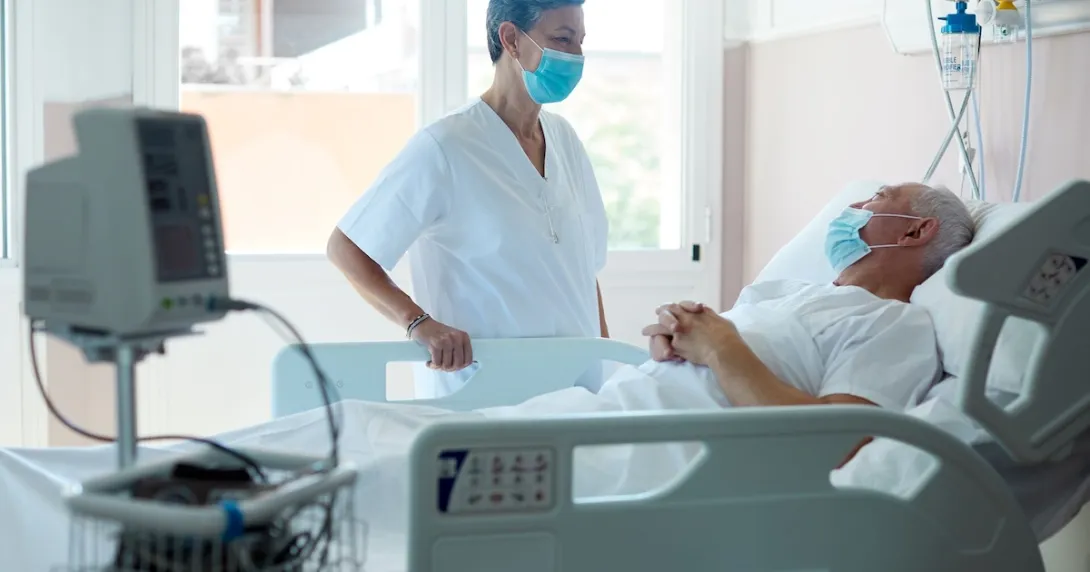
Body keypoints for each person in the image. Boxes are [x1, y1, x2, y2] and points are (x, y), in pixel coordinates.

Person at [327, 0, 609, 398]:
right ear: (511, 39)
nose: (575, 56)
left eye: (580, 42)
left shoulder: (565, 141)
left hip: (577, 395)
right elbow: (346, 248)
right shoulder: (446, 146)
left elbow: (583, 274)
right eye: (562, 39)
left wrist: (608, 367)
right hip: (480, 397)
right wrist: (418, 323)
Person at [640, 183, 974, 413]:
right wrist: (679, 340)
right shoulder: (786, 292)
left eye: (877, 197)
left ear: (915, 231)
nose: (854, 207)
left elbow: (832, 442)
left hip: (637, 453)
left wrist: (719, 347)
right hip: (614, 412)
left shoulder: (895, 325)